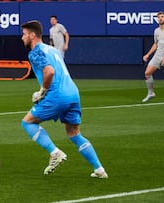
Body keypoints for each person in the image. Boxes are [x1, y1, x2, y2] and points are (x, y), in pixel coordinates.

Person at [20, 20, 107, 178]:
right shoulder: (52, 50)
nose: (22, 38)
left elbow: (49, 72)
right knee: (74, 133)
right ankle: (99, 170)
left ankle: (55, 152)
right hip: (73, 93)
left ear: (32, 35)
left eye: (24, 34)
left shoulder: (35, 51)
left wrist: (42, 91)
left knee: (27, 122)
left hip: (57, 95)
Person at [142, 11, 164, 103]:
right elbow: (155, 44)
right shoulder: (156, 31)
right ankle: (151, 93)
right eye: (159, 17)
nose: (160, 18)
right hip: (158, 55)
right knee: (147, 73)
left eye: (162, 16)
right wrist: (148, 54)